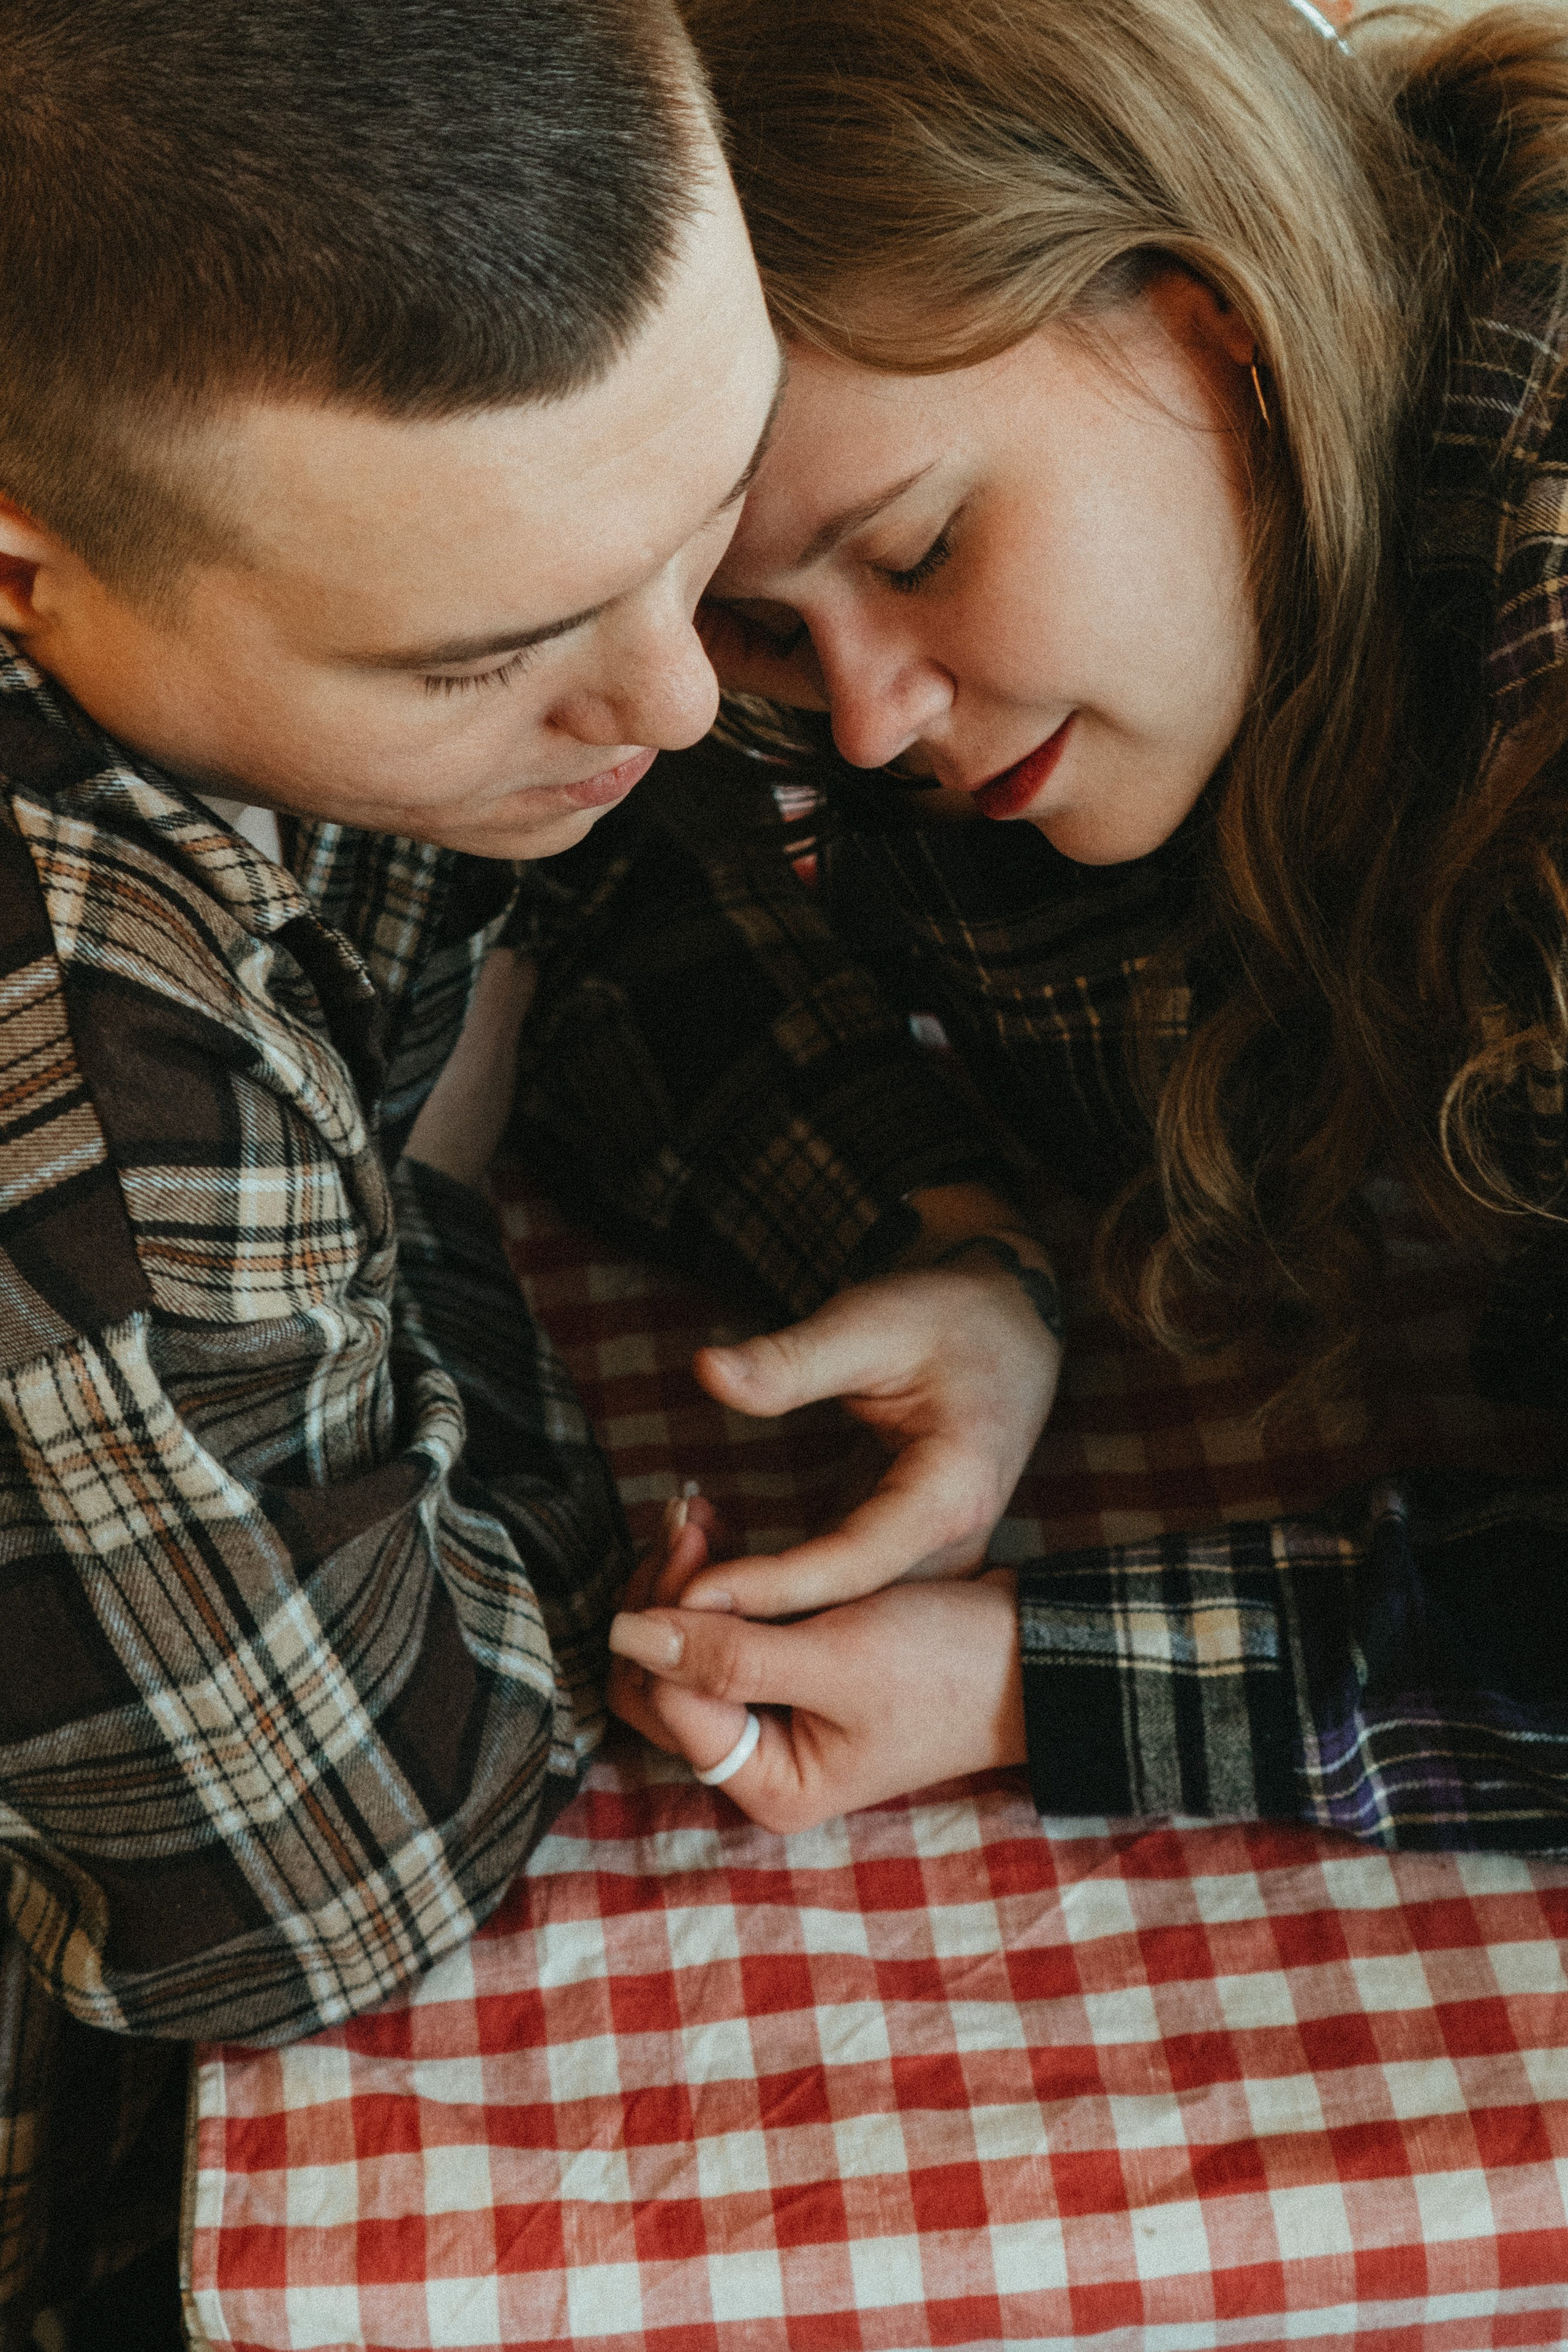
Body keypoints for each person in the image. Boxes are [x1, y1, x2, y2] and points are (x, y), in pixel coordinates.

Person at [511, 0, 1568, 1853]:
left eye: (920, 553)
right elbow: (621, 882)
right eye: (762, 631)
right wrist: (952, 1244)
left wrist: (1022, 1676)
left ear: (1209, 332)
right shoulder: (1206, 626)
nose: (865, 720)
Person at [0, 1, 789, 2341]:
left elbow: (602, 929)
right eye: (487, 662)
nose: (678, 704)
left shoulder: (390, 582)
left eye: (713, 506)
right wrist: (436, 1178)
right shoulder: (75, 1069)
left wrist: (921, 1224)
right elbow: (325, 1884)